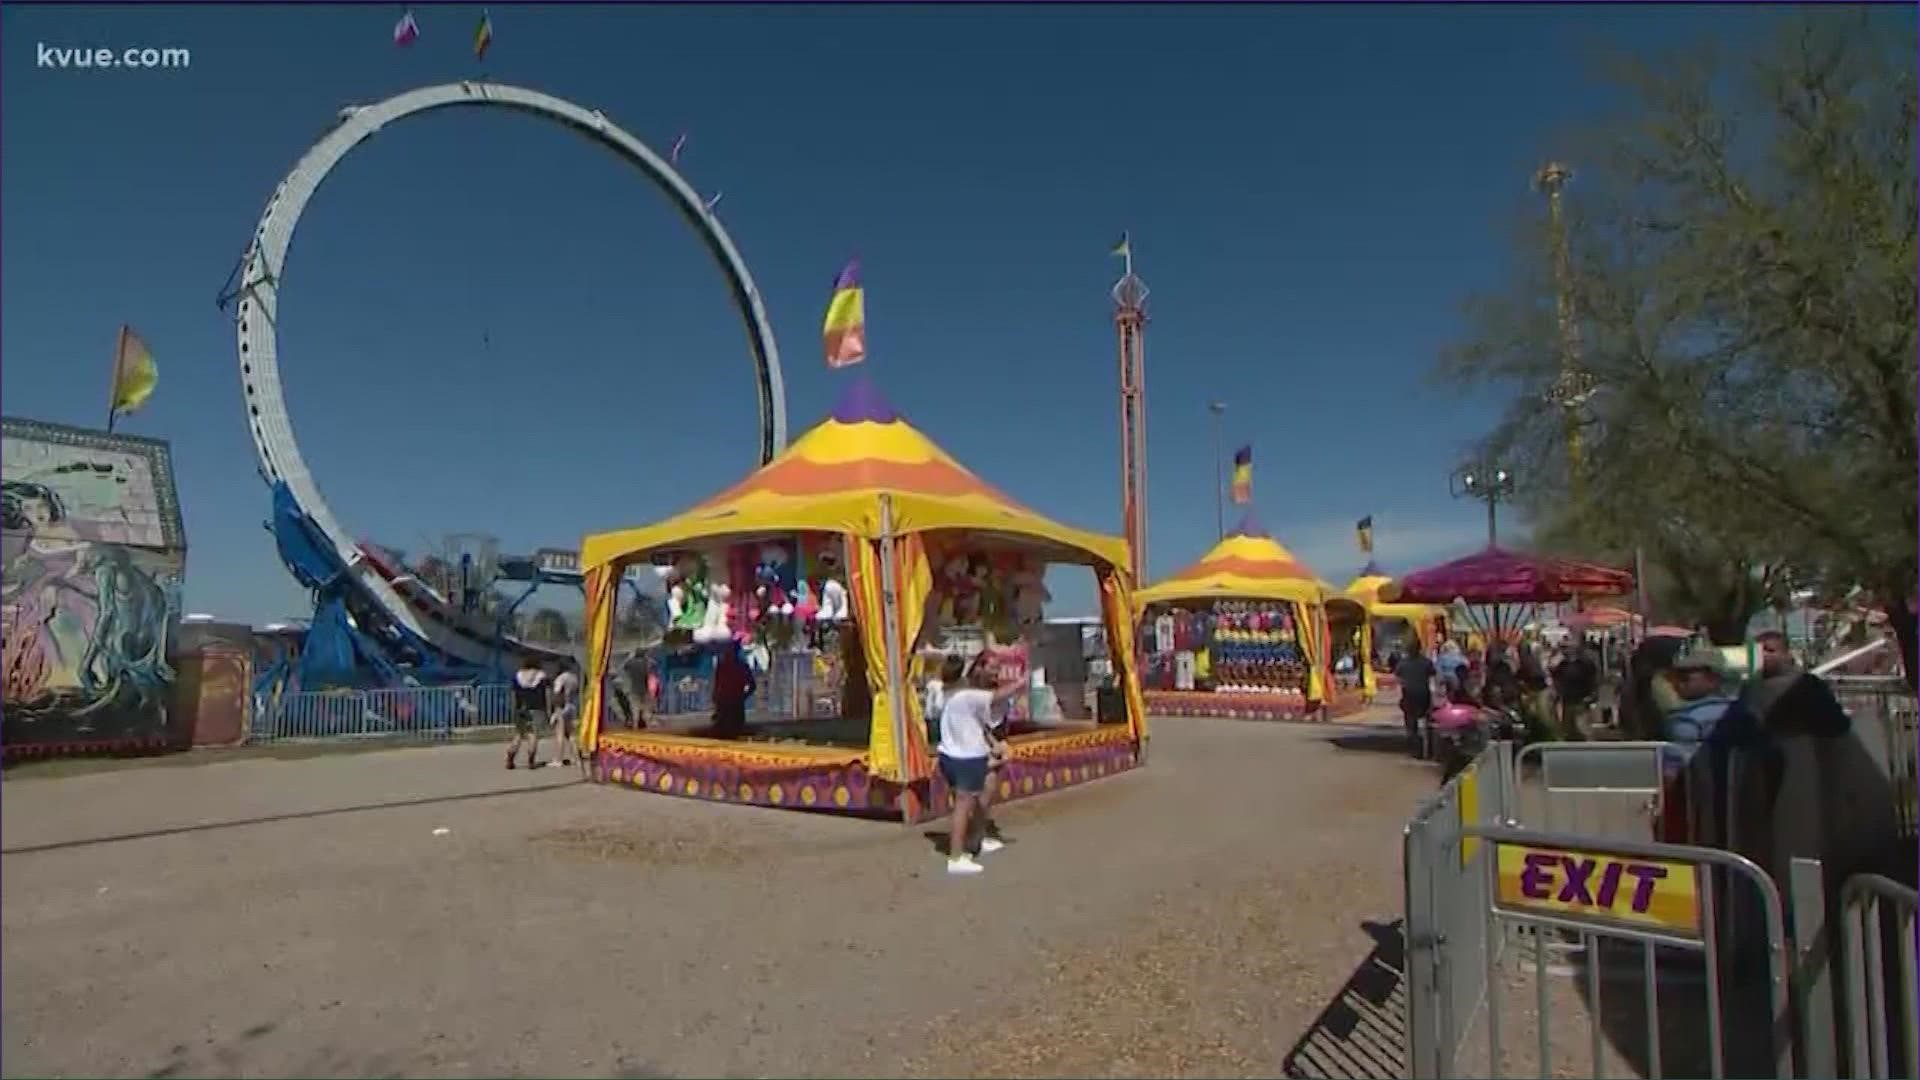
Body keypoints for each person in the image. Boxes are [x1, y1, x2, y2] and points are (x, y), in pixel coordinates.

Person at [938, 657, 1026, 876]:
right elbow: (998, 696)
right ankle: (956, 857)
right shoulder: (968, 695)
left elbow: (981, 724)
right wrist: (1021, 682)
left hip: (960, 754)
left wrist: (995, 746)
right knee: (963, 804)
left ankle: (973, 841)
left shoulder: (957, 696)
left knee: (978, 800)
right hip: (965, 757)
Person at [1393, 646, 1437, 757]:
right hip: (1424, 694)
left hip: (1409, 694)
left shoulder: (1403, 663)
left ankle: (1415, 747)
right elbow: (1433, 675)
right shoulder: (1427, 662)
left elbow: (1397, 677)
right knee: (1428, 721)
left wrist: (1405, 683)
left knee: (1411, 721)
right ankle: (1429, 748)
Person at [507, 655, 549, 770]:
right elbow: (546, 693)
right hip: (537, 707)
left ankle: (510, 757)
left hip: (521, 708)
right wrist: (548, 709)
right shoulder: (541, 676)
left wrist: (514, 708)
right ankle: (531, 760)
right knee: (533, 734)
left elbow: (513, 693)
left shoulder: (518, 675)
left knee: (519, 734)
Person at [711, 644, 755, 739]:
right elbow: (717, 685)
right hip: (727, 705)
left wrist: (742, 697)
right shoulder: (723, 666)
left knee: (731, 733)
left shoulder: (740, 667)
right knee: (724, 734)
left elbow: (752, 685)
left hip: (732, 706)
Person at [549, 659, 581, 768]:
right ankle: (576, 758)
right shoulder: (574, 677)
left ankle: (558, 759)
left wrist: (555, 709)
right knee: (571, 734)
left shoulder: (561, 678)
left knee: (559, 733)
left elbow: (557, 693)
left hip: (562, 706)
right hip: (572, 706)